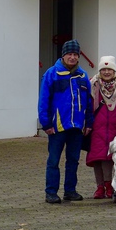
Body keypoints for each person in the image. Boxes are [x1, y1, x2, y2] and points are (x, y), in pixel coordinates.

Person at [38, 39, 93, 204]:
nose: (73, 57)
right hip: (57, 127)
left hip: (76, 127)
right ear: (63, 55)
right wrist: (46, 123)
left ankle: (70, 191)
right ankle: (51, 192)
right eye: (69, 54)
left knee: (73, 161)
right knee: (53, 160)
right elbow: (43, 101)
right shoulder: (51, 74)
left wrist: (89, 123)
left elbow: (89, 102)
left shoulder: (83, 76)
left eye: (75, 54)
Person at [86, 56, 116, 199]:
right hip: (96, 128)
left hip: (115, 128)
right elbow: (86, 105)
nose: (106, 72)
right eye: (103, 69)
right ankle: (100, 187)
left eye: (109, 69)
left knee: (109, 158)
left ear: (114, 71)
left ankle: (109, 186)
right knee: (97, 159)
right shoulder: (92, 85)